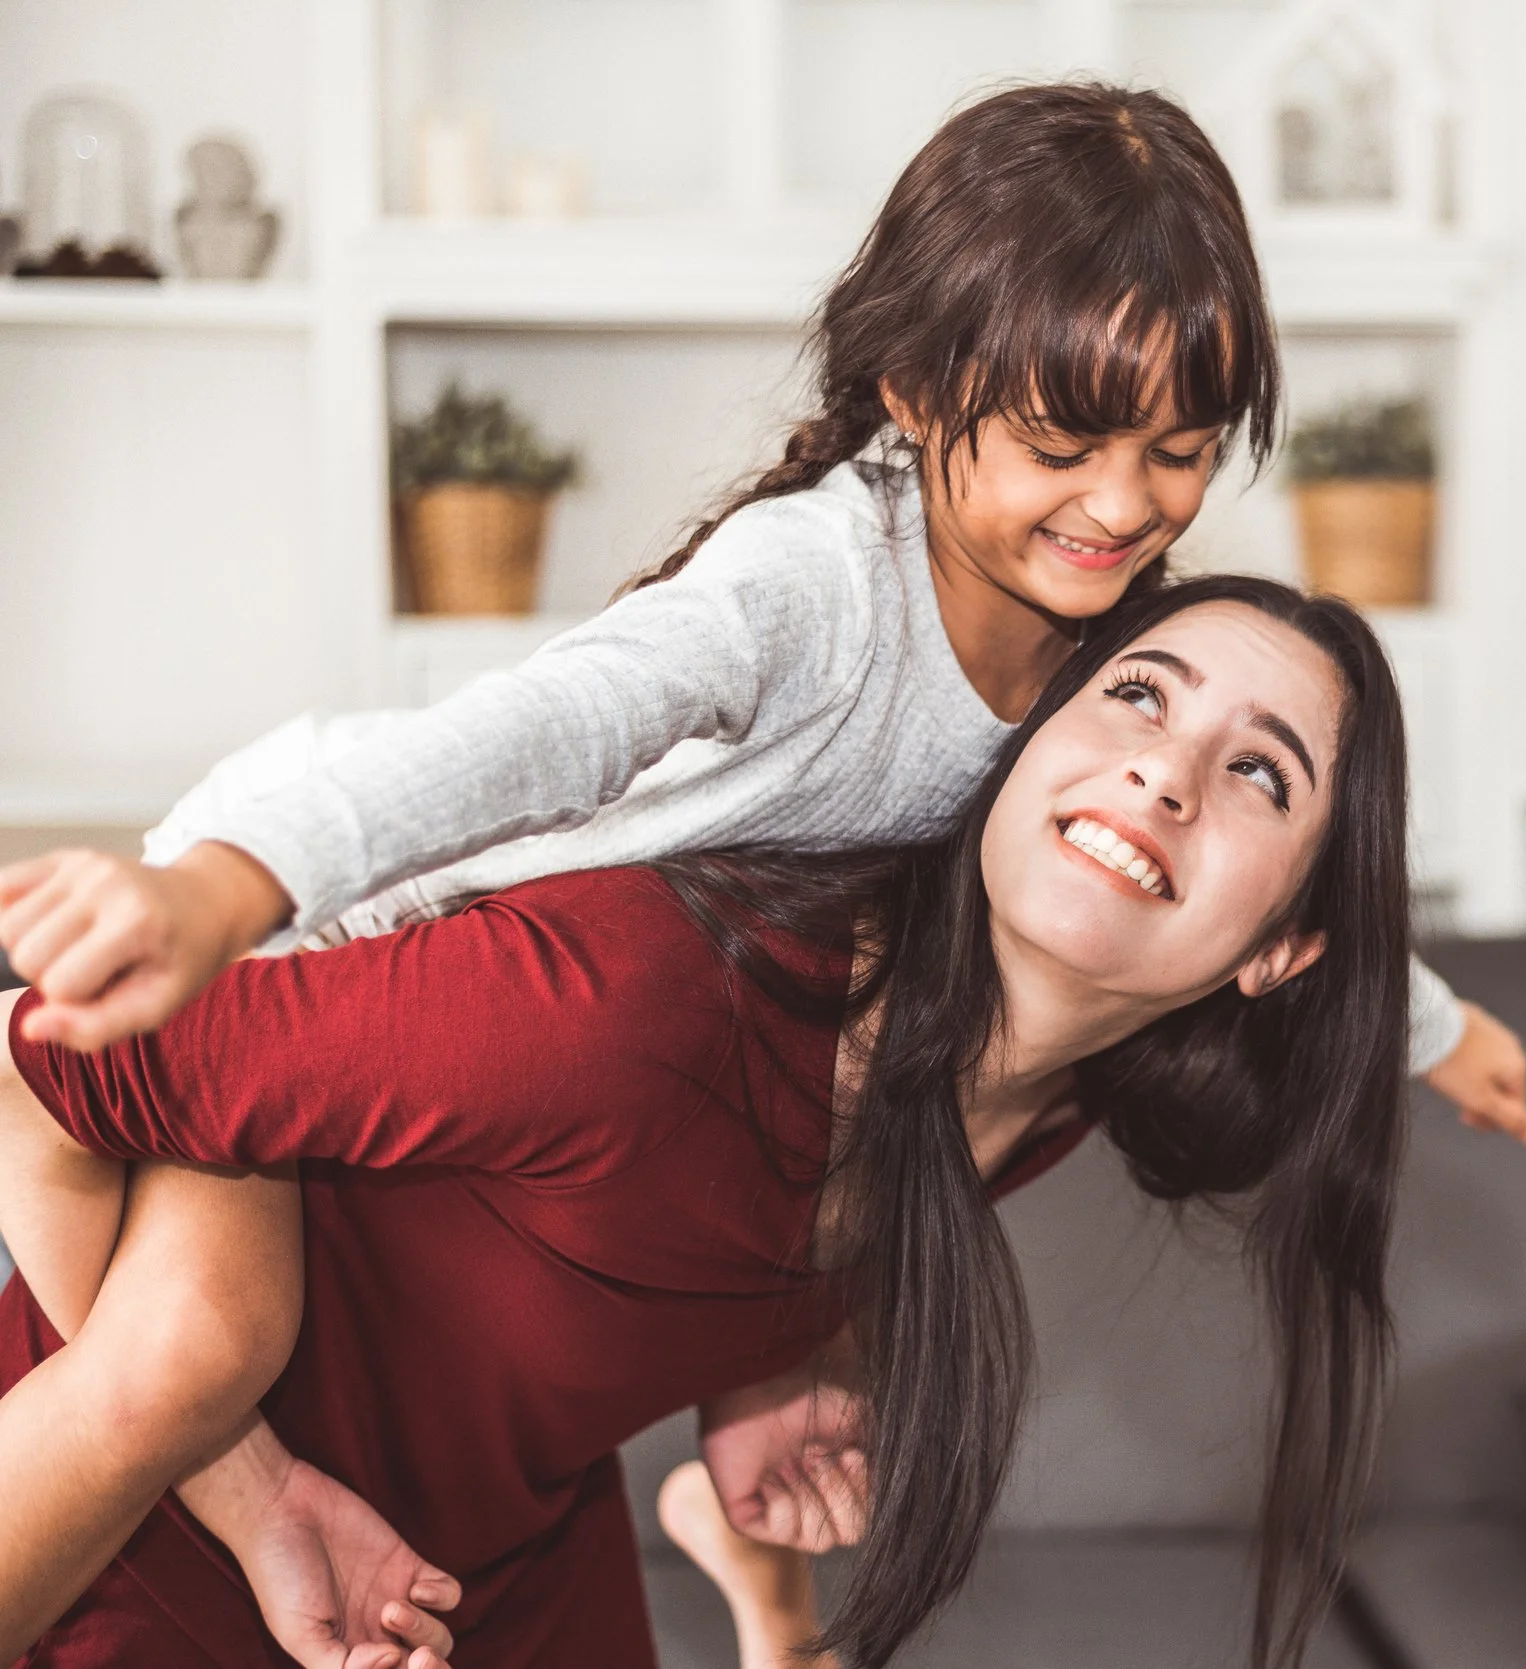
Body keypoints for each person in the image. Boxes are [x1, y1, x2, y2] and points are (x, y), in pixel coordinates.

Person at [0, 81, 1526, 1151]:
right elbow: (545, 729)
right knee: (185, 1361)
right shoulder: (810, 589)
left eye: (1181, 452)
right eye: (1063, 447)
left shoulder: (1117, 647)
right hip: (319, 907)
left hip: (481, 1011)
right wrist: (219, 887)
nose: (1124, 506)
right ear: (918, 392)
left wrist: (1427, 1028)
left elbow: (1250, 849)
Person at [0, 575, 1411, 1669]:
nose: (1167, 772)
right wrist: (238, 1467)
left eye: (1261, 773)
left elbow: (730, 1211)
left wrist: (790, 1359)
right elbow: (40, 1063)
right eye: (1139, 697)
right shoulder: (631, 1001)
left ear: (1283, 950)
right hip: (143, 1533)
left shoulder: (1047, 1106)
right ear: (1023, 750)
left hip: (487, 1574)